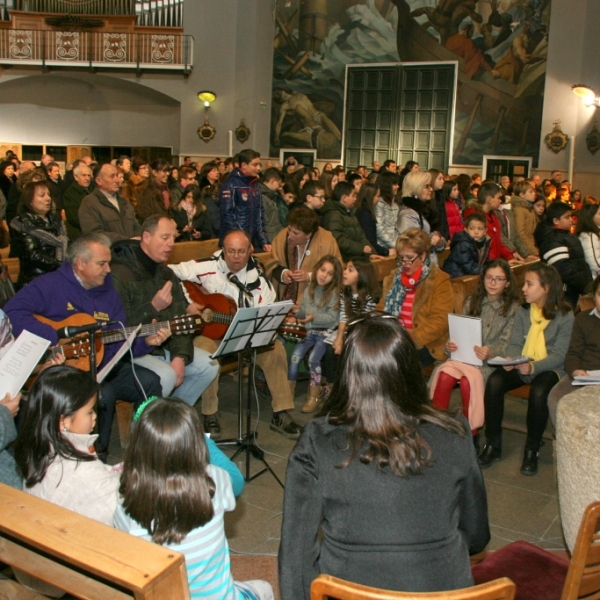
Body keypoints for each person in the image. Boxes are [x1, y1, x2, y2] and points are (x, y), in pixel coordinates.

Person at [279, 314, 490, 599]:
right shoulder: (455, 432)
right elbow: (477, 535)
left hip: (350, 591)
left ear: (348, 374)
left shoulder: (318, 441)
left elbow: (297, 553)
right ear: (409, 368)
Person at [4, 233, 165, 457]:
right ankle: (96, 457)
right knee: (103, 396)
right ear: (80, 263)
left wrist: (145, 342)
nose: (108, 269)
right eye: (102, 263)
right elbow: (11, 312)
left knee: (150, 383)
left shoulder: (109, 292)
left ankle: (146, 452)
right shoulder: (50, 285)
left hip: (102, 366)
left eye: (109, 262)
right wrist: (54, 336)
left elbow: (118, 340)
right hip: (64, 369)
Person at [115, 398, 273, 600]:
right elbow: (236, 481)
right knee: (265, 587)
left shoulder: (125, 507)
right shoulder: (215, 480)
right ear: (196, 443)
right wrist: (206, 442)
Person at [169, 230, 302, 439]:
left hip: (244, 336)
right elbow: (168, 271)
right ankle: (209, 413)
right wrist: (187, 302)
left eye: (241, 251)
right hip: (212, 335)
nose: (236, 256)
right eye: (231, 251)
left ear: (250, 250)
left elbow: (263, 317)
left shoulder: (260, 282)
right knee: (205, 351)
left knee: (275, 349)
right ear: (223, 250)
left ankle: (280, 412)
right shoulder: (207, 266)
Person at [110, 216, 219, 408]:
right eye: (164, 237)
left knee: (209, 366)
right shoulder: (119, 274)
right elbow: (118, 328)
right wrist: (153, 307)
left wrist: (180, 357)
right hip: (132, 350)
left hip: (163, 346)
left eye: (173, 238)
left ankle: (170, 419)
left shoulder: (166, 273)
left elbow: (180, 320)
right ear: (146, 237)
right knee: (166, 376)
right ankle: (148, 431)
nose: (171, 244)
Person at [478, 263, 574, 476]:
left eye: (529, 284)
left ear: (546, 288)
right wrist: (511, 359)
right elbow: (514, 343)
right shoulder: (523, 311)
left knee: (539, 392)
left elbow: (559, 356)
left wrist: (532, 366)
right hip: (524, 362)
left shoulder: (565, 315)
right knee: (494, 381)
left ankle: (532, 448)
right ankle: (493, 443)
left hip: (551, 367)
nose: (524, 288)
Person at [430, 260, 519, 448]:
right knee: (444, 376)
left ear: (508, 283)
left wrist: (490, 351)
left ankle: (472, 435)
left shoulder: (512, 308)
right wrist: (451, 345)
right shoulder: (473, 301)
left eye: (499, 279)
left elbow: (508, 342)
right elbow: (460, 330)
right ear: (483, 279)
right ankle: (436, 429)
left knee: (467, 383)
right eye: (489, 278)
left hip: (488, 363)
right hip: (463, 357)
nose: (493, 283)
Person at [15, 366, 120, 525]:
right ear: (62, 421)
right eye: (90, 411)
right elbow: (118, 514)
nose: (95, 416)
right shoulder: (81, 470)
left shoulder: (38, 445)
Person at [382, 228, 453, 367]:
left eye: (409, 258)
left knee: (391, 363)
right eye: (401, 258)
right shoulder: (393, 277)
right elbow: (382, 310)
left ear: (423, 256)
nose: (404, 263)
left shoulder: (439, 279)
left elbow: (440, 322)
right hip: (395, 339)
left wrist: (409, 338)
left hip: (426, 344)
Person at [287, 255, 342, 413]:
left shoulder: (334, 293)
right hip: (310, 331)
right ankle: (288, 394)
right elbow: (305, 312)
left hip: (326, 334)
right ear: (316, 269)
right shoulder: (309, 289)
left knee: (313, 360)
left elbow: (333, 319)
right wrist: (298, 312)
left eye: (330, 273)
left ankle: (314, 397)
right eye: (322, 270)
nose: (324, 275)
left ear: (334, 277)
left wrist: (313, 317)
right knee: (295, 356)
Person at [548, 275, 600, 427]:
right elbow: (573, 353)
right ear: (594, 296)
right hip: (585, 374)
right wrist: (576, 371)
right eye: (599, 294)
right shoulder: (583, 319)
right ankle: (564, 443)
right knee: (555, 397)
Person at [266, 206, 341, 304]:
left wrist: (310, 277)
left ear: (308, 234)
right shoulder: (282, 236)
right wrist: (283, 273)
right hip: (284, 301)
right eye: (289, 229)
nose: (290, 235)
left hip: (314, 304)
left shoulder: (327, 242)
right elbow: (272, 264)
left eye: (295, 233)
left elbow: (337, 273)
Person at [534, 202, 592, 308]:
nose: (571, 220)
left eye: (571, 216)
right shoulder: (552, 239)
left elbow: (580, 262)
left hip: (573, 289)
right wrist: (585, 286)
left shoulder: (563, 235)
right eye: (567, 217)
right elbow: (562, 269)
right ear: (556, 220)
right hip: (563, 293)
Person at [10, 180, 66, 288]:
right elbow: (32, 254)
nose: (48, 198)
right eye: (42, 195)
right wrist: (60, 264)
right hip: (35, 280)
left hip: (58, 278)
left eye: (49, 195)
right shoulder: (22, 222)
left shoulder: (55, 220)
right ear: (30, 200)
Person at [219, 148, 271, 251]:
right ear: (243, 165)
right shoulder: (231, 184)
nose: (258, 168)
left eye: (259, 164)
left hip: (252, 240)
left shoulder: (255, 185)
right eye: (255, 165)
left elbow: (259, 215)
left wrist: (264, 240)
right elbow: (228, 215)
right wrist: (243, 240)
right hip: (234, 242)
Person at [79, 163, 142, 242]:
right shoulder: (89, 202)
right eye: (112, 176)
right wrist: (124, 241)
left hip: (130, 250)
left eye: (117, 176)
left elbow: (136, 225)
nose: (117, 180)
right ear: (99, 181)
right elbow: (94, 233)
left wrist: (138, 238)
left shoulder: (124, 201)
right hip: (108, 251)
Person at [464, 182, 523, 265]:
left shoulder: (493, 215)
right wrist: (494, 264)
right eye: (498, 197)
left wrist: (509, 256)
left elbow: (497, 241)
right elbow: (479, 247)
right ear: (489, 199)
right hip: (482, 265)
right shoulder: (474, 217)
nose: (500, 200)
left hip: (493, 263)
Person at [332, 257, 380, 356]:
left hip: (365, 335)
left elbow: (366, 322)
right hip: (351, 330)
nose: (344, 272)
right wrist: (339, 339)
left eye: (350, 270)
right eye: (345, 268)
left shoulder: (371, 296)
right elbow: (343, 316)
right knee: (332, 349)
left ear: (362, 274)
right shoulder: (345, 291)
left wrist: (346, 340)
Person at [320, 181, 377, 262]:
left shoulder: (350, 213)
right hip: (342, 260)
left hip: (355, 257)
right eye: (353, 195)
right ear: (344, 198)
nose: (355, 198)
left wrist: (371, 253)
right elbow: (337, 240)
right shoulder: (333, 215)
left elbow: (361, 236)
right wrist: (361, 248)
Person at [396, 171, 446, 263]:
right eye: (427, 186)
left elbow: (438, 237)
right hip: (415, 266)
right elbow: (412, 243)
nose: (431, 189)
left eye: (431, 186)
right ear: (415, 188)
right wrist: (432, 239)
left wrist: (439, 242)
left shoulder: (427, 210)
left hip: (429, 262)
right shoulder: (407, 214)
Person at [442, 213, 491, 278]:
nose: (476, 232)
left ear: (485, 231)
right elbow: (468, 267)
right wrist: (488, 270)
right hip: (454, 276)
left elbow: (485, 261)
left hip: (467, 274)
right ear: (466, 230)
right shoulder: (462, 244)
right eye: (472, 228)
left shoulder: (484, 242)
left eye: (480, 229)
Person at [355, 183, 395, 257]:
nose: (379, 199)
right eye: (378, 196)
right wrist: (386, 251)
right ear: (370, 197)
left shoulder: (362, 211)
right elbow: (369, 241)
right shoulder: (365, 215)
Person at [63, 162, 94, 241]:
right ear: (76, 177)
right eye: (84, 175)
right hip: (78, 233)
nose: (87, 178)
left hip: (94, 231)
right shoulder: (70, 193)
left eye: (88, 175)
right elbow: (74, 217)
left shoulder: (93, 190)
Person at [136, 159, 172, 223]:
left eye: (168, 171)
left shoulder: (166, 189)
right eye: (164, 171)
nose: (167, 174)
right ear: (155, 172)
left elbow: (169, 211)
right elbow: (144, 214)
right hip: (154, 228)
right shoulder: (147, 191)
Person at [511, 180, 540, 258]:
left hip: (530, 246)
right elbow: (520, 233)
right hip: (525, 250)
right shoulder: (519, 209)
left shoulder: (528, 208)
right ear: (522, 195)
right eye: (530, 192)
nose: (534, 194)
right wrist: (533, 250)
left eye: (534, 191)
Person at [374, 171, 400, 251]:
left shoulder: (395, 204)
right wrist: (396, 245)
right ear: (387, 186)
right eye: (395, 184)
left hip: (394, 246)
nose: (398, 187)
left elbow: (395, 228)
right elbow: (379, 229)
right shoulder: (379, 204)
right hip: (382, 247)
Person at [576, 202, 600, 278]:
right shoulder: (590, 236)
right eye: (599, 214)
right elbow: (595, 263)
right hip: (594, 277)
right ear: (591, 217)